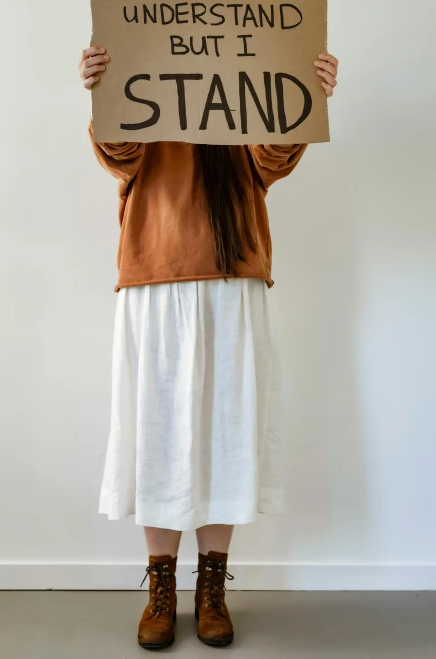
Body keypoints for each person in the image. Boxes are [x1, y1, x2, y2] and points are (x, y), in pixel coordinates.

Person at [78, 46, 338, 649]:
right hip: (156, 274)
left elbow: (273, 159)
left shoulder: (243, 96)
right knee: (160, 432)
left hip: (232, 277)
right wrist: (104, 88)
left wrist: (305, 90)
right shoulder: (147, 87)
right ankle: (161, 589)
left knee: (226, 431)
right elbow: (119, 155)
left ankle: (212, 588)